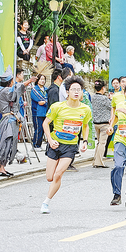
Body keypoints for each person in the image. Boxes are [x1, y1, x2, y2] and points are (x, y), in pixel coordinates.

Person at [40, 75, 92, 213]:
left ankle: (46, 203)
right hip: (55, 144)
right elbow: (45, 123)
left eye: (79, 89)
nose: (76, 92)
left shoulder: (85, 109)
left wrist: (85, 141)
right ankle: (50, 193)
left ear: (82, 92)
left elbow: (85, 125)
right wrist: (50, 140)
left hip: (70, 146)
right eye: (73, 89)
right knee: (50, 177)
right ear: (67, 92)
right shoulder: (57, 107)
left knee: (58, 174)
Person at [0, 69, 37, 177]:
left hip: (11, 119)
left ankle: (2, 168)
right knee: (5, 144)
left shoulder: (5, 90)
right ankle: (0, 169)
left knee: (9, 145)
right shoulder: (4, 91)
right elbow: (16, 89)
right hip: (7, 120)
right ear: (9, 82)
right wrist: (29, 81)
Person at [90, 79, 112, 168]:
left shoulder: (93, 97)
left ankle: (95, 160)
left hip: (96, 123)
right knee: (102, 143)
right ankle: (99, 162)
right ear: (103, 88)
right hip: (104, 123)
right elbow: (112, 106)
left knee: (99, 142)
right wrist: (111, 99)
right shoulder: (104, 99)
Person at [30, 74, 48, 149]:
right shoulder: (34, 90)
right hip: (37, 112)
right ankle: (35, 145)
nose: (42, 81)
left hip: (45, 112)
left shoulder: (46, 89)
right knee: (38, 129)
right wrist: (46, 101)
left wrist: (45, 102)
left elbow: (46, 100)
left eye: (44, 79)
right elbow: (39, 100)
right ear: (37, 80)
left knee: (43, 129)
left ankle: (39, 145)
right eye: (41, 79)